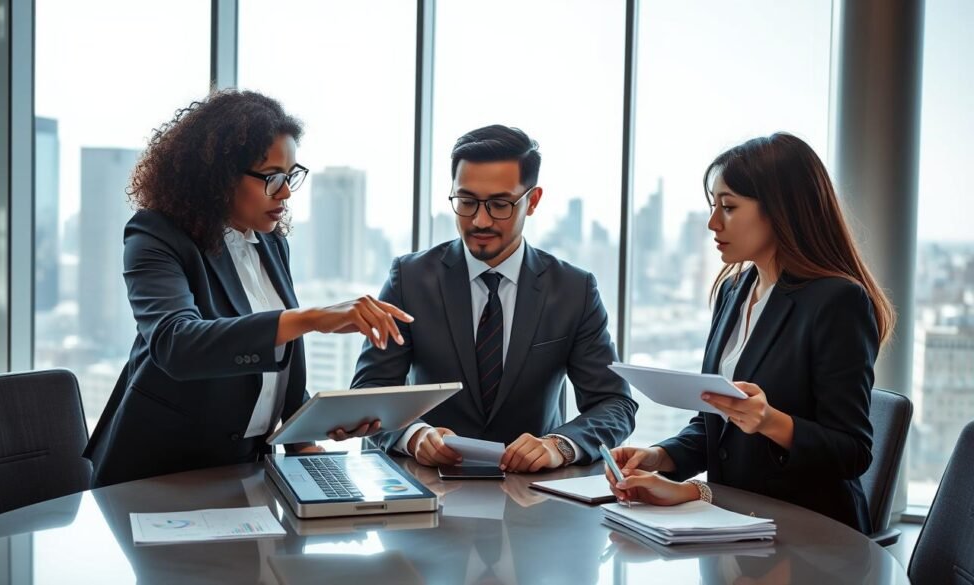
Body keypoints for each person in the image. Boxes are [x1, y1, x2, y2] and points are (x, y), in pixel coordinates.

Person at [84, 90, 408, 487]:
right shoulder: (156, 234)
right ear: (218, 175)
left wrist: (306, 430)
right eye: (272, 178)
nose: (286, 192)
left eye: (290, 177)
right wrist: (310, 319)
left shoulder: (271, 243)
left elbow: (270, 366)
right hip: (158, 473)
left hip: (243, 470)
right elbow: (176, 344)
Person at [606, 132, 896, 533]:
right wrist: (660, 457)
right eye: (713, 206)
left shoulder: (836, 301)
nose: (712, 223)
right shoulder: (733, 290)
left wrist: (770, 421)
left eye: (728, 207)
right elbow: (716, 424)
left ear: (781, 211)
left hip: (811, 536)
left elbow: (852, 451)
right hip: (737, 525)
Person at [352, 124, 637, 473]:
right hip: (427, 489)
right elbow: (371, 390)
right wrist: (413, 436)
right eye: (467, 202)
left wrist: (559, 446)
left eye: (500, 204)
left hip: (534, 498)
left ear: (532, 201)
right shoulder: (410, 279)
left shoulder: (573, 290)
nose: (480, 220)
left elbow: (615, 404)